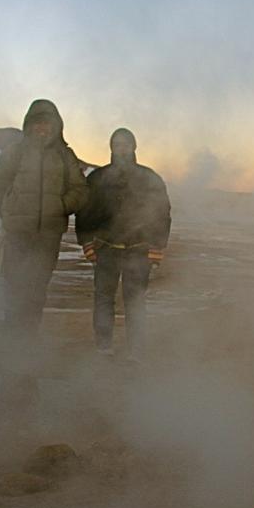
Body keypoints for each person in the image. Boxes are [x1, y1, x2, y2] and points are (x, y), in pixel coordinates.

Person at [0, 98, 88, 339]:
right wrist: (10, 212)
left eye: (47, 124)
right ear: (29, 125)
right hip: (18, 232)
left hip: (48, 235)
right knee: (14, 284)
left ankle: (28, 333)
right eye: (37, 124)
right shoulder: (15, 152)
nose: (42, 128)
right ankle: (13, 333)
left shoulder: (65, 155)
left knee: (37, 286)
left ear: (56, 126)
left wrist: (61, 206)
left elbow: (81, 190)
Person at [76, 128, 171, 360]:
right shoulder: (97, 178)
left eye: (125, 144)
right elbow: (83, 213)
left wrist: (157, 248)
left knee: (135, 301)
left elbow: (162, 213)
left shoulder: (149, 178)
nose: (121, 148)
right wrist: (86, 243)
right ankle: (103, 347)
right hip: (105, 247)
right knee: (103, 299)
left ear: (134, 147)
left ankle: (135, 352)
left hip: (138, 249)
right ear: (111, 148)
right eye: (117, 144)